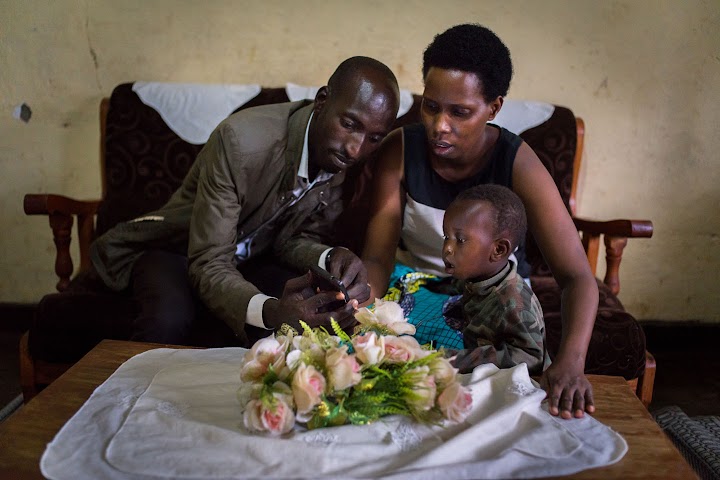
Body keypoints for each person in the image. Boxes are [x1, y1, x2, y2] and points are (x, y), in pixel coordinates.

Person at [361, 24, 598, 419]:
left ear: (494, 107)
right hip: (410, 294)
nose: (440, 125)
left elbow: (577, 276)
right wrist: (362, 317)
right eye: (431, 106)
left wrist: (572, 362)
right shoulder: (400, 151)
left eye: (460, 112)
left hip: (486, 304)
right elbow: (377, 258)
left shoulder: (518, 163)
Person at [90, 56, 401, 348]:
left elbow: (292, 240)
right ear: (322, 101)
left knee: (316, 306)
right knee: (167, 320)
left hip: (253, 256)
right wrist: (272, 313)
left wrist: (332, 256)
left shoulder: (343, 157)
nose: (356, 149)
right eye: (349, 124)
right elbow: (209, 261)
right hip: (178, 249)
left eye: (374, 138)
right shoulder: (240, 142)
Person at [440, 185, 551, 375]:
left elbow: (531, 358)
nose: (448, 248)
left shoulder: (512, 303)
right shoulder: (478, 277)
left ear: (498, 250)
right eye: (446, 237)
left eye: (460, 240)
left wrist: (457, 360)